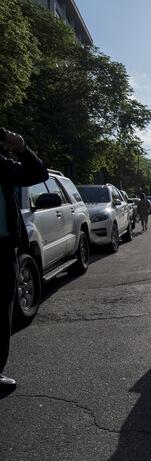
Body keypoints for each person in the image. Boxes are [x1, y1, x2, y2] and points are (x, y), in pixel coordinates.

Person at [0, 127, 49, 394]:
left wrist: (20, 148)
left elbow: (37, 174)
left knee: (2, 313)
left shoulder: (2, 165)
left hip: (3, 246)